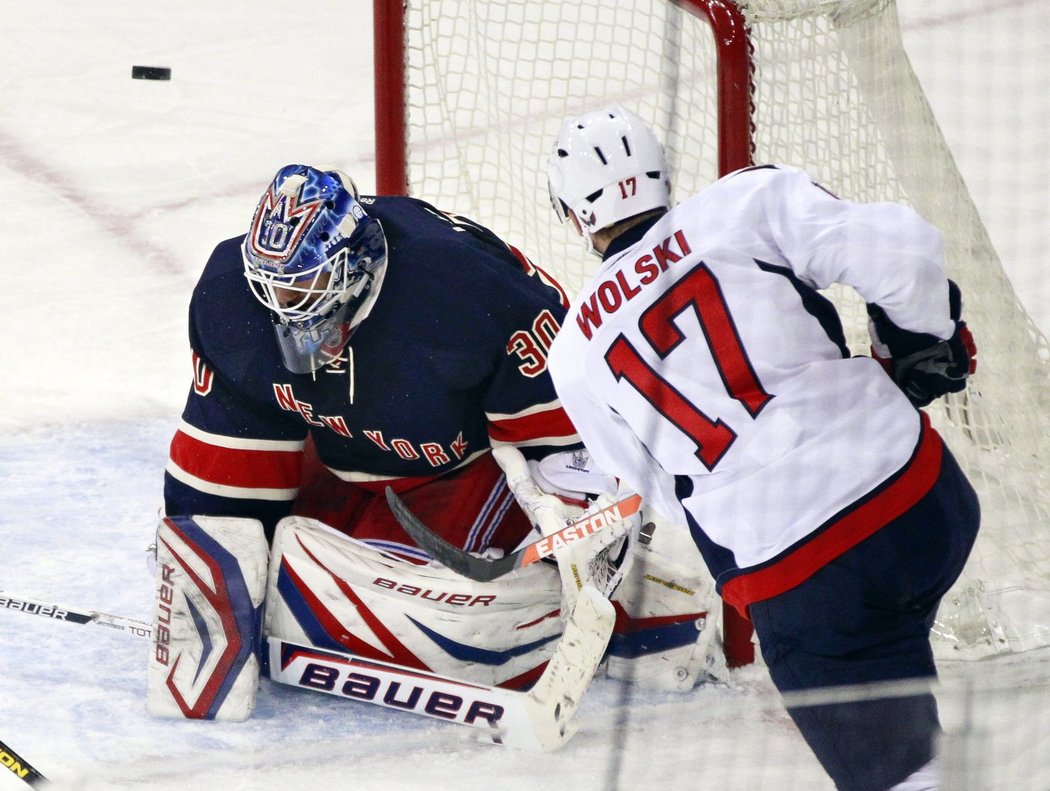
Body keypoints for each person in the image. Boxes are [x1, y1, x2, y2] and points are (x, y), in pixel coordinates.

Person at [543, 106, 980, 791]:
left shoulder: (573, 354)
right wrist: (919, 341)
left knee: (901, 772)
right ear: (663, 173)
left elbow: (656, 485)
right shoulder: (745, 198)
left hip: (806, 583)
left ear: (575, 217)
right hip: (925, 504)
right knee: (891, 645)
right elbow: (903, 249)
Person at [163, 163, 593, 560]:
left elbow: (557, 419)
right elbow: (229, 457)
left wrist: (570, 509)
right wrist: (206, 555)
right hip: (340, 455)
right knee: (285, 577)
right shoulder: (229, 296)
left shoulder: (457, 284)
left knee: (378, 601)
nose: (285, 303)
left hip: (470, 467)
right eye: (272, 285)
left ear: (357, 258)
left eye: (303, 281)